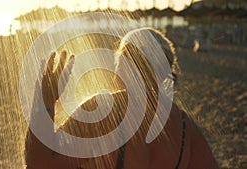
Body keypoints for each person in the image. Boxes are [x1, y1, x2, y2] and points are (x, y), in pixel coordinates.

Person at [25, 27, 219, 169]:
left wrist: (44, 104)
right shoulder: (185, 125)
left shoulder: (105, 110)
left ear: (123, 66)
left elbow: (40, 165)